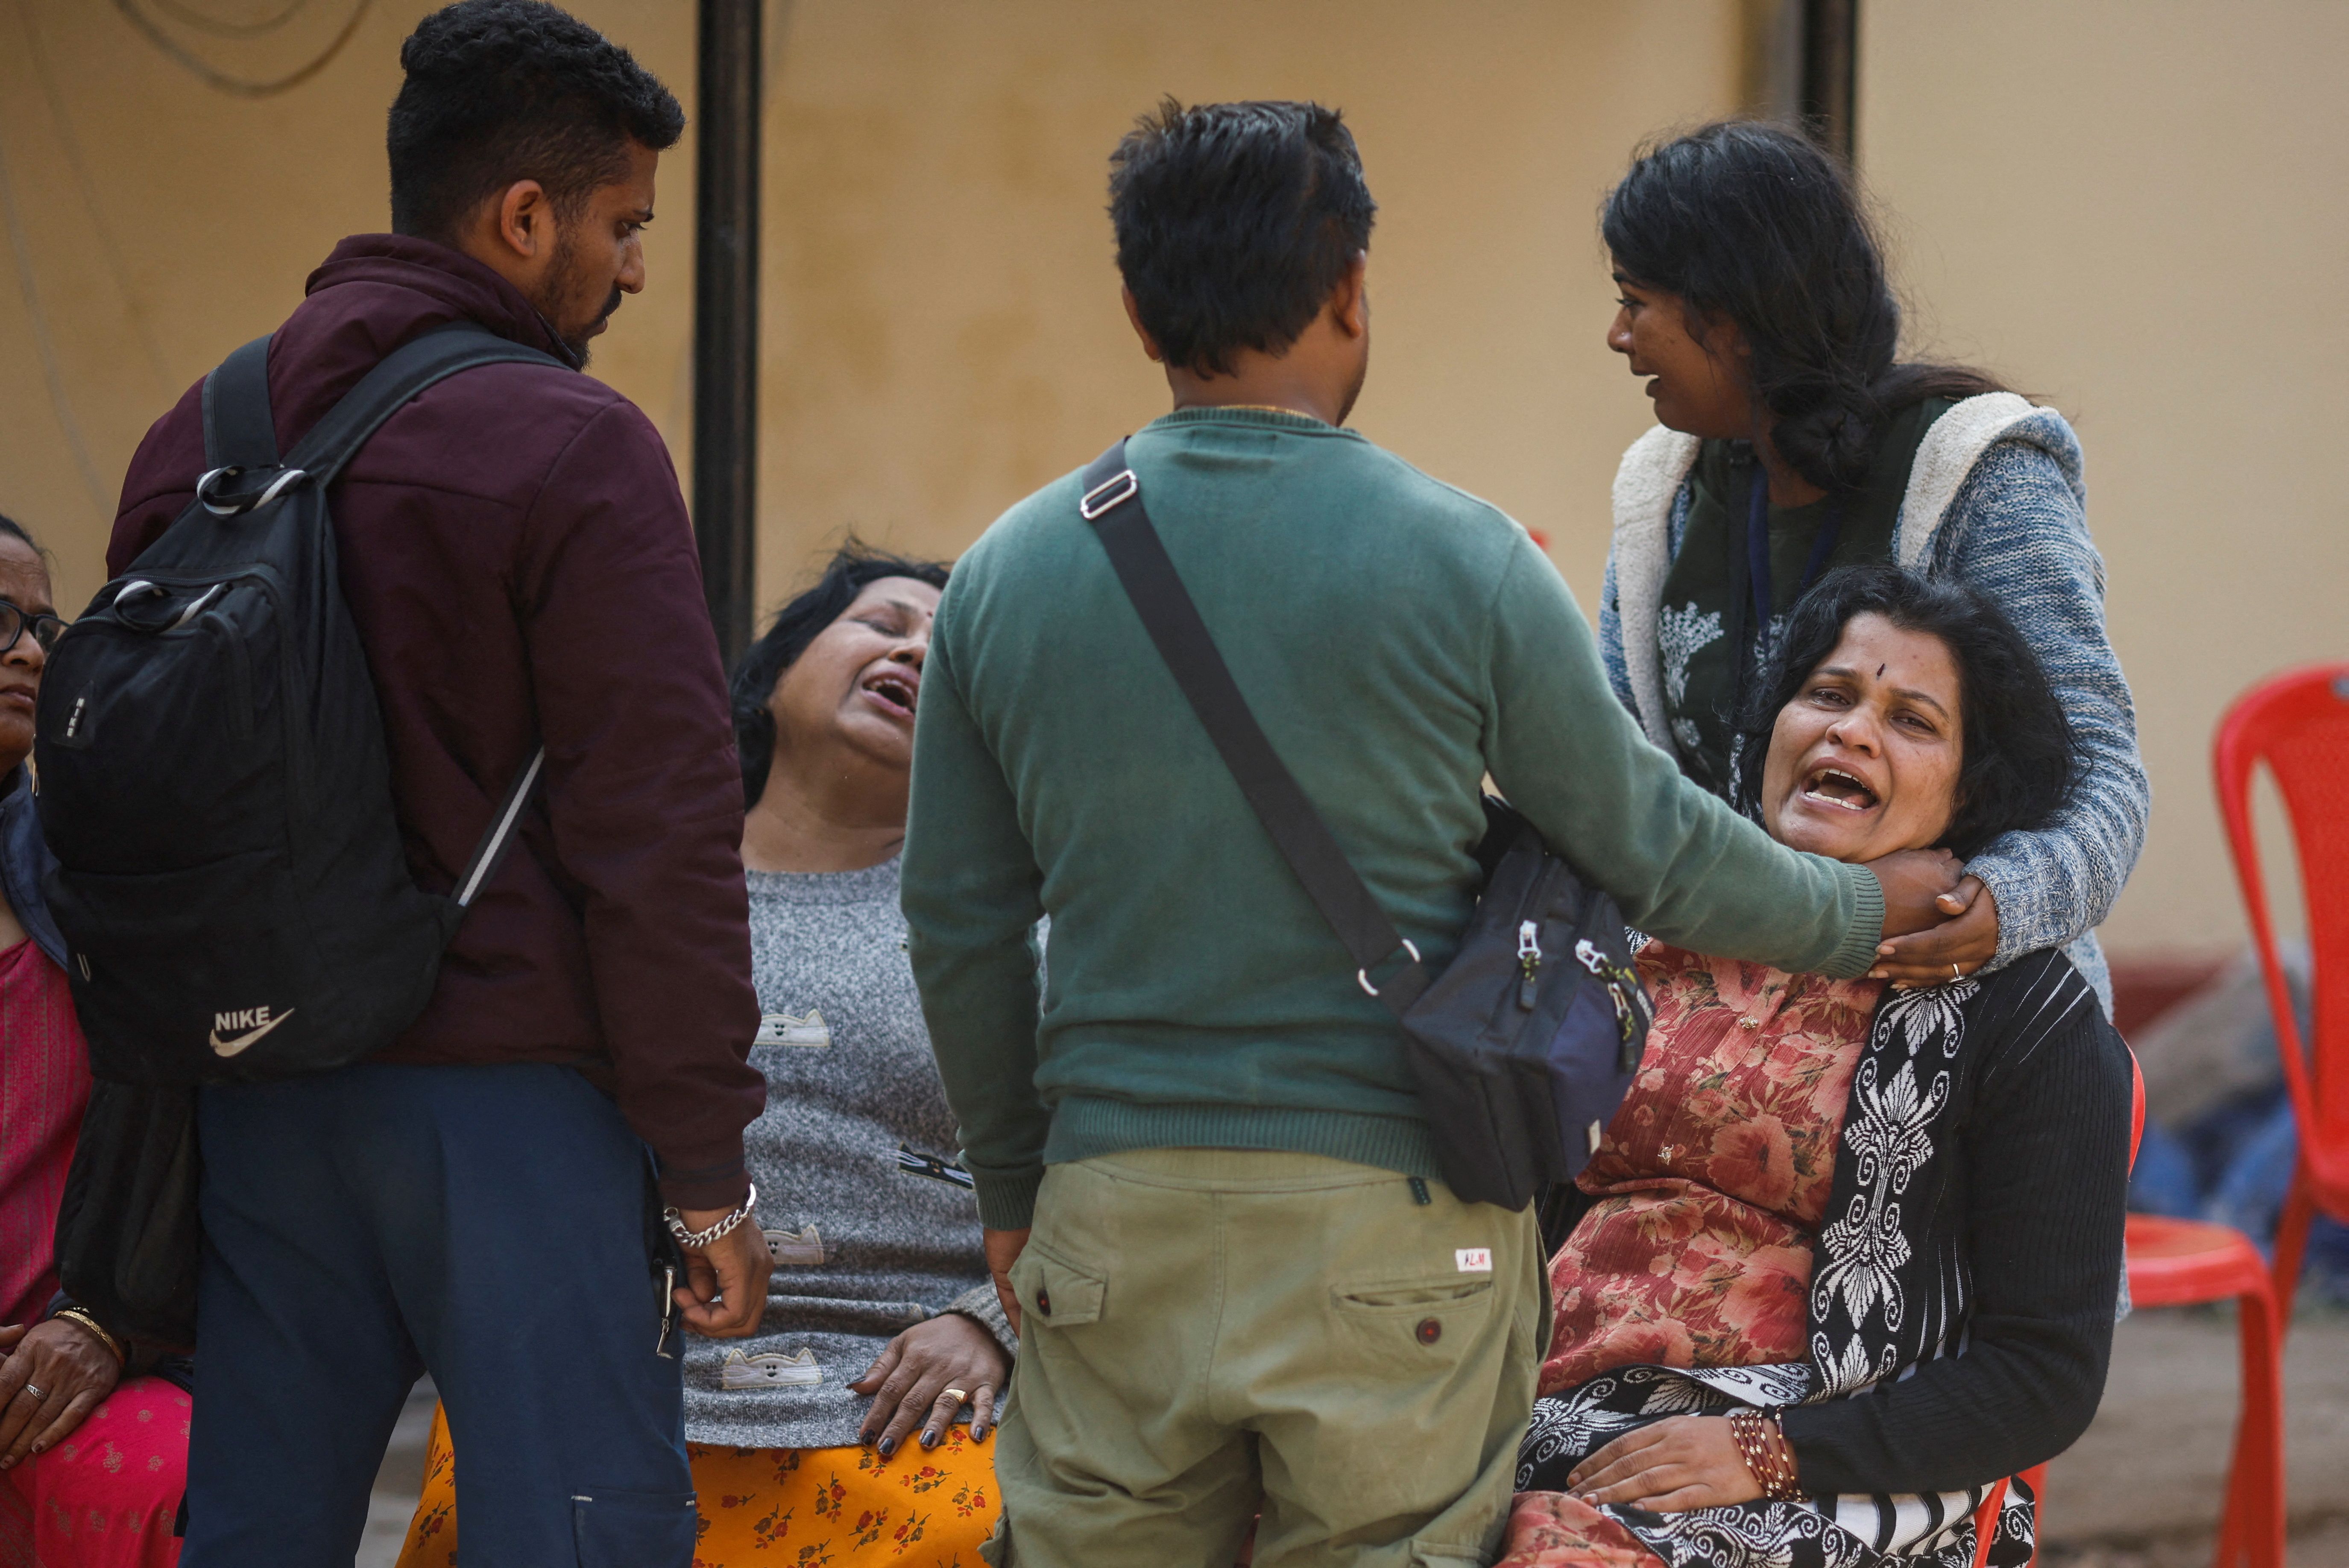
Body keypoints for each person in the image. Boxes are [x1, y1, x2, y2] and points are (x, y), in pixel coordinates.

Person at [899, 99, 1964, 1568]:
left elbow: (956, 927)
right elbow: (1650, 846)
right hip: (1397, 1234)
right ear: (1350, 288)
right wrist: (1862, 910)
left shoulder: (1005, 576)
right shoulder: (1463, 556)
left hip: (1110, 1220)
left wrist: (1019, 1193)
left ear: (1139, 313)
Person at [103, 6, 770, 1563]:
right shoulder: (577, 442)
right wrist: (706, 1173)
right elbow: (659, 837)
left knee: (257, 1535)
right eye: (624, 225)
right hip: (511, 1102)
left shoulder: (197, 430)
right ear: (524, 216)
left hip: (254, 1092)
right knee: (581, 1531)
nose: (634, 269)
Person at [1499, 565, 2132, 1568]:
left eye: (1911, 720)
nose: (1850, 731)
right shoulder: (1654, 934)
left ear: (1967, 790)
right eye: (1828, 696)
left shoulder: (2025, 1019)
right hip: (1542, 1412)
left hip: (1825, 1466)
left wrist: (1767, 1451)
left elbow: (2041, 1375)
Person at [395, 544, 1014, 1568]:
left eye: (951, 657)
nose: (914, 651)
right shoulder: (615, 892)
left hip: (906, 1382)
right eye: (883, 623)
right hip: (609, 1361)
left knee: (962, 1538)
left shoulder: (1011, 931)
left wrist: (992, 1321)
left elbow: (1102, 1164)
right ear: (771, 675)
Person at [1594, 121, 2147, 1009]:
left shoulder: (1974, 469)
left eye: (1635, 302)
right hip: (1717, 1027)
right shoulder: (1660, 492)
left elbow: (2099, 770)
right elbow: (1617, 784)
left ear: (1731, 317)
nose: (1618, 336)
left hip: (1948, 1018)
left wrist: (1996, 907)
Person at [0, 515, 190, 1566]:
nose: (30, 652)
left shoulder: (97, 890)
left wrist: (103, 1320)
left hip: (68, 1349)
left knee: (165, 1471)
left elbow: (183, 1135)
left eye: (43, 628)